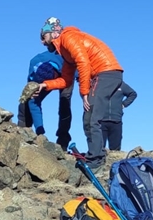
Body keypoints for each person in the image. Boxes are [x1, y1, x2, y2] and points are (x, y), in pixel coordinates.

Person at [38, 17, 131, 166]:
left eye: (43, 36)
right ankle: (94, 153)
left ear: (53, 32)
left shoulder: (68, 37)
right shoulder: (64, 52)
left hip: (107, 72)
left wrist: (84, 93)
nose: (42, 42)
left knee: (93, 116)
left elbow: (83, 63)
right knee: (88, 118)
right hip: (102, 75)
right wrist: (45, 85)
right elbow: (66, 81)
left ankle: (96, 159)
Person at [17, 48, 74, 148]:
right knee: (27, 99)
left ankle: (63, 141)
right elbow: (34, 101)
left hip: (66, 75)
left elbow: (78, 70)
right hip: (42, 78)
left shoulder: (65, 62)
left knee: (65, 102)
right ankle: (23, 134)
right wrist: (40, 131)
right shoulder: (33, 68)